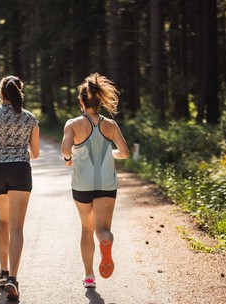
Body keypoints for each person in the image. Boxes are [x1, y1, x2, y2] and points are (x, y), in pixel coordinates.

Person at [61, 73, 129, 288]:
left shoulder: (73, 124)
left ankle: (89, 277)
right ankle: (106, 241)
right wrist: (110, 154)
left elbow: (64, 149)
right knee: (102, 229)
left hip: (82, 186)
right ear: (100, 101)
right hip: (106, 185)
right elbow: (125, 153)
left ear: (81, 101)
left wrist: (69, 158)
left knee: (86, 229)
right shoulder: (110, 125)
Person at [0, 75, 40, 300]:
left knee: (3, 221)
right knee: (17, 227)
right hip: (20, 171)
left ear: (0, 93)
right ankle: (13, 277)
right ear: (20, 92)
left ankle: (2, 272)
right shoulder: (30, 118)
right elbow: (36, 153)